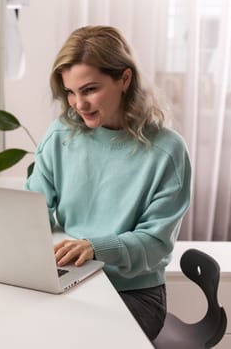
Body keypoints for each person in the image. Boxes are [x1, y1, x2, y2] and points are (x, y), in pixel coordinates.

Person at [24, 25, 192, 341]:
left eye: (89, 90)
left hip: (134, 293)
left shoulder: (167, 152)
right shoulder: (61, 135)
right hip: (72, 280)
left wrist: (95, 247)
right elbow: (34, 209)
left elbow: (156, 245)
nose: (78, 104)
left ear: (124, 79)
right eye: (70, 92)